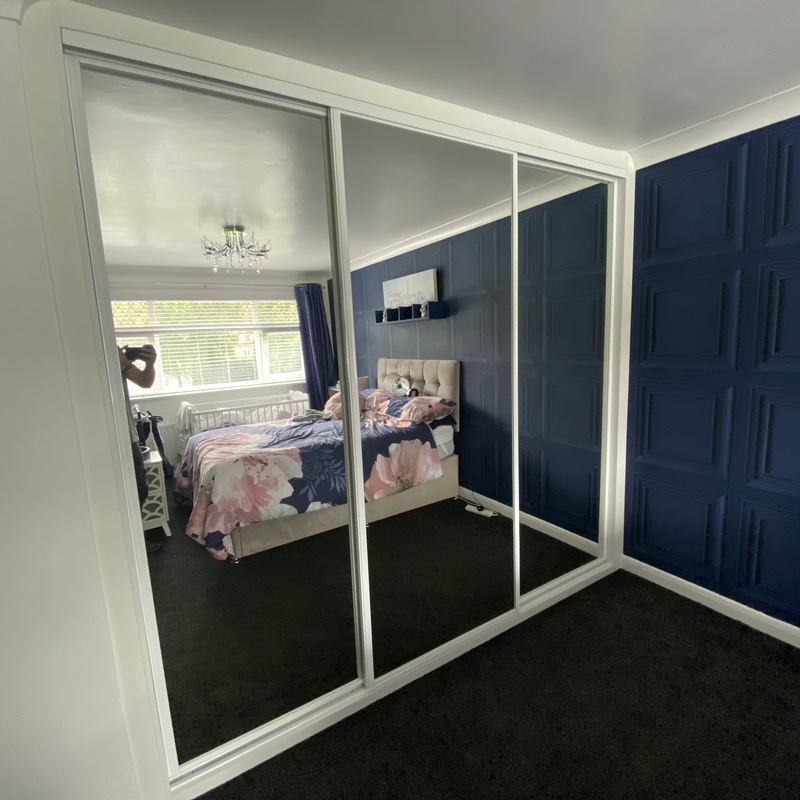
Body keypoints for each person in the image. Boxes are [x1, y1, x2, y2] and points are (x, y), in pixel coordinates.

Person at [118, 343, 161, 555]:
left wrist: (150, 364)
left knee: (140, 489)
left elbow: (145, 382)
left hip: (129, 435)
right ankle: (128, 543)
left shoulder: (117, 360)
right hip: (109, 438)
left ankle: (136, 539)